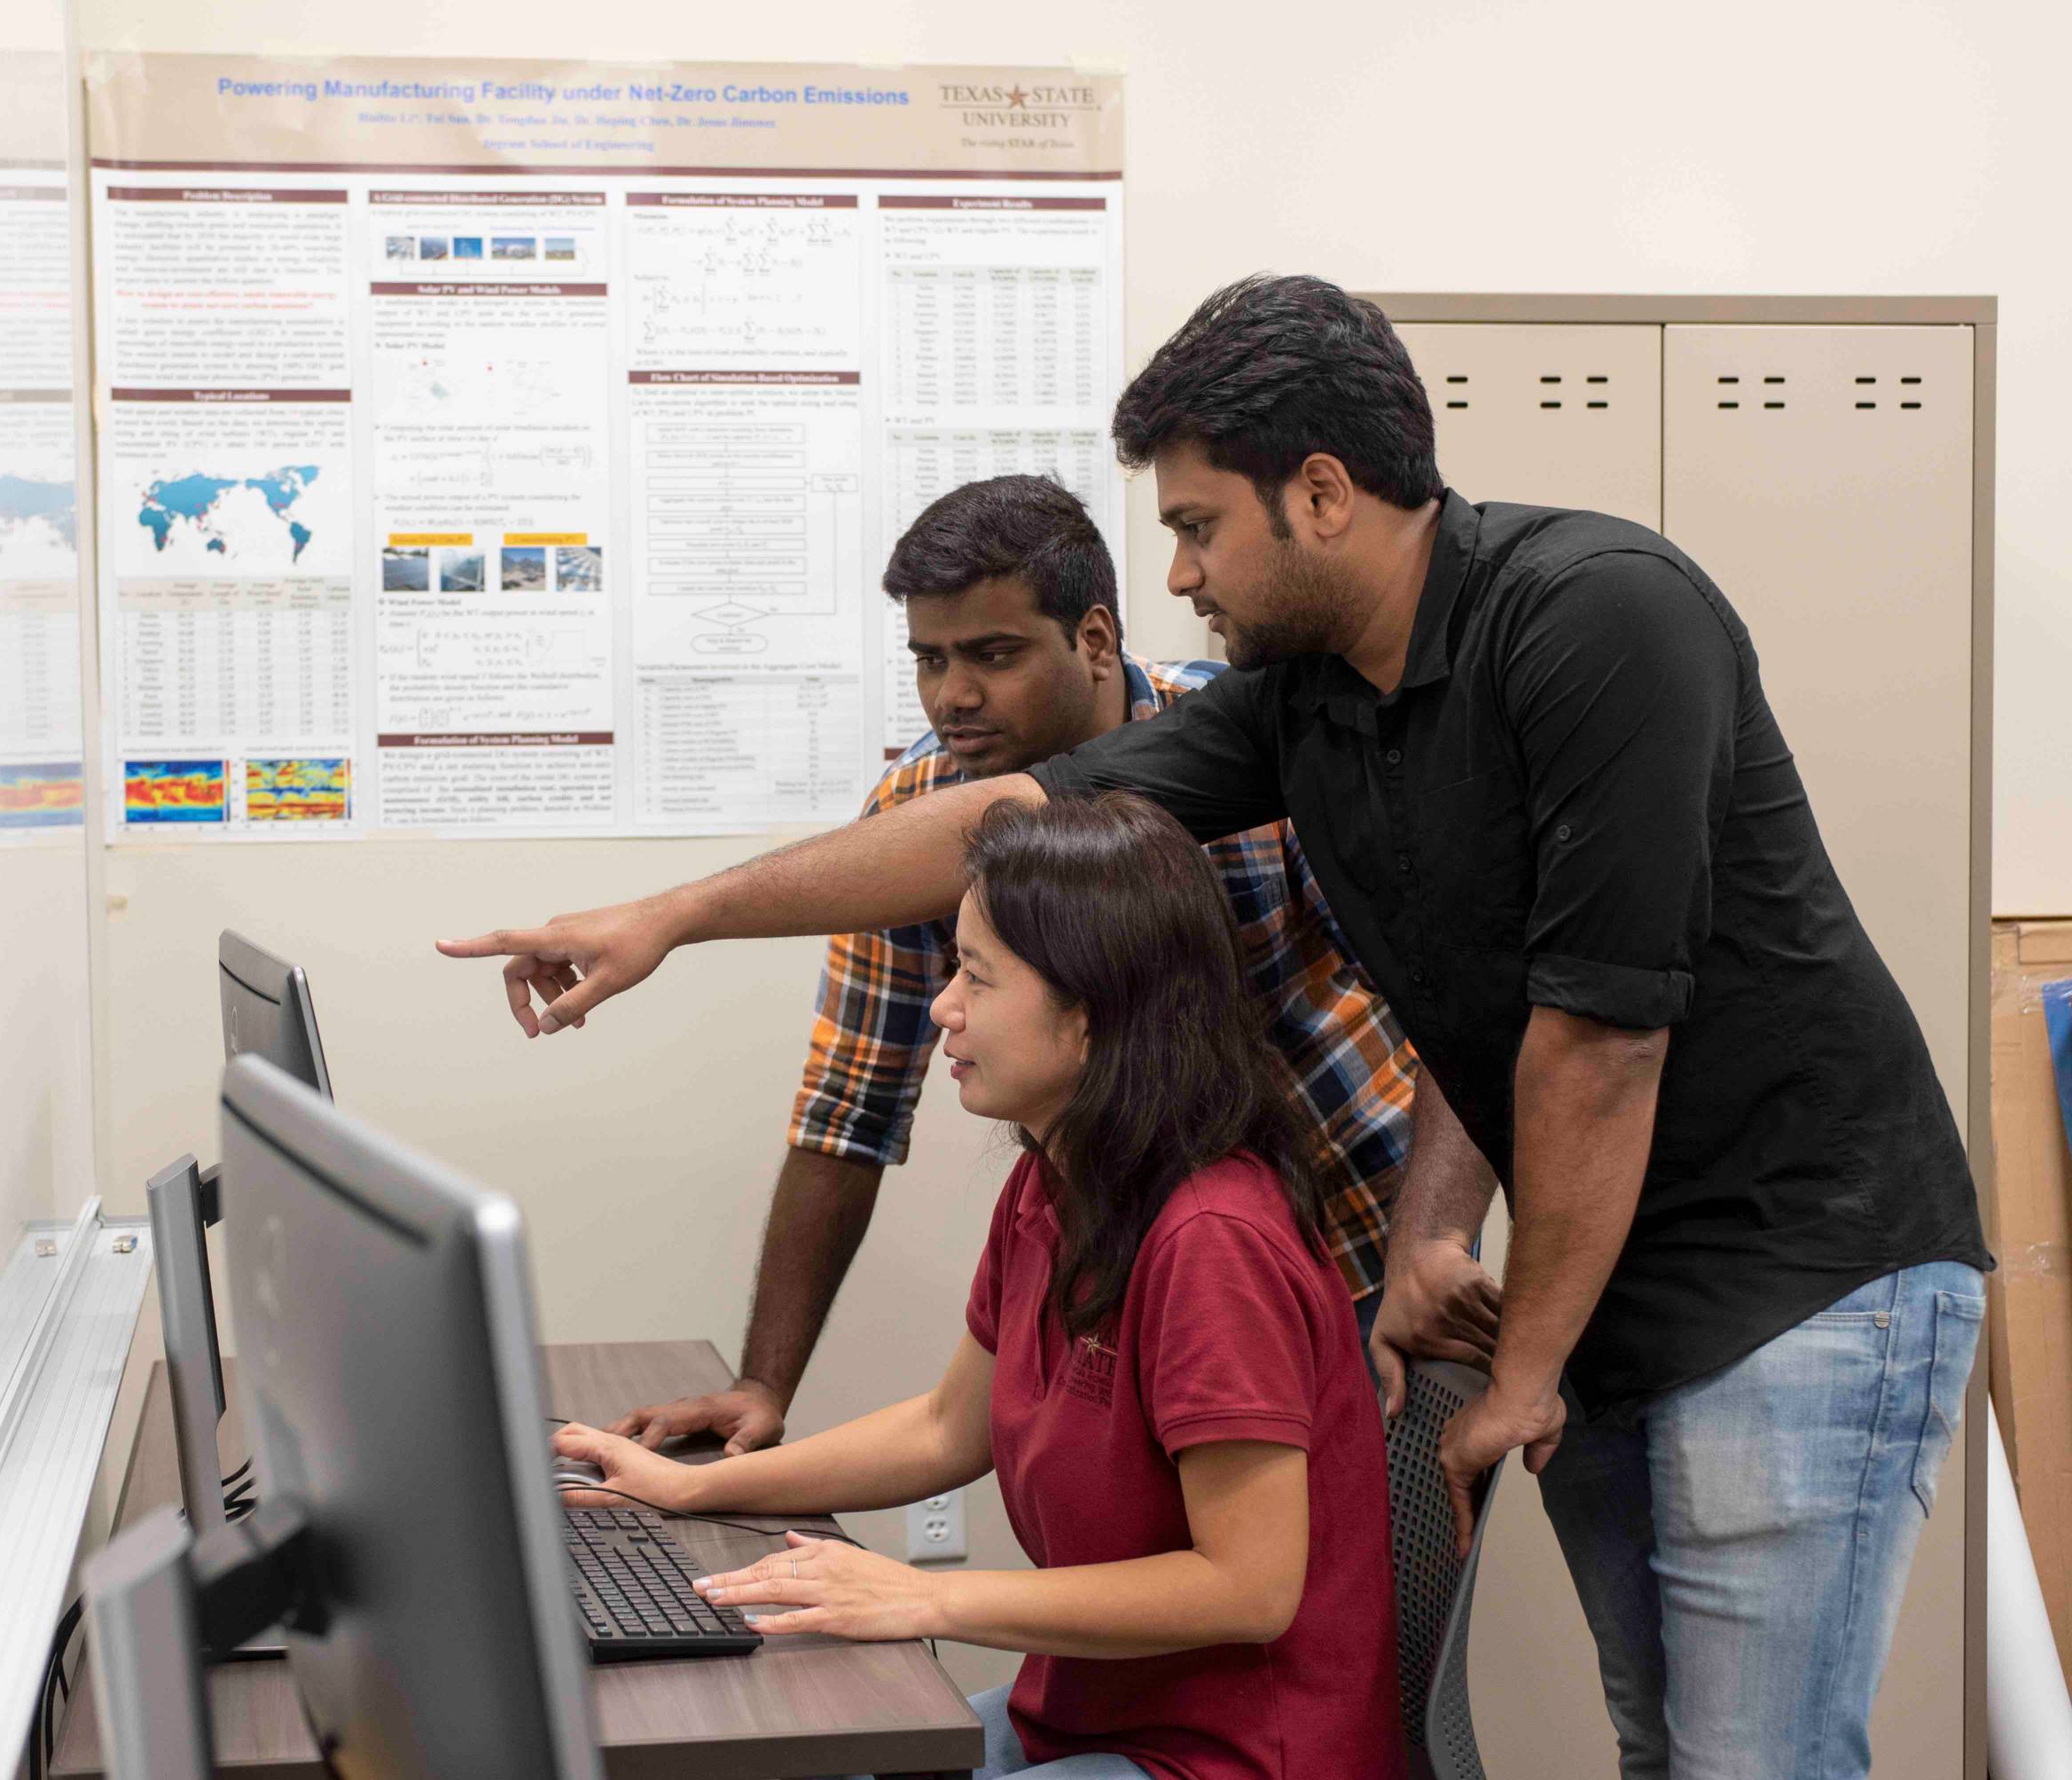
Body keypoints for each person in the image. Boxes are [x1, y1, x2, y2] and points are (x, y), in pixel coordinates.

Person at [448, 273, 1992, 1778]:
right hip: (1598, 1276)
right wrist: (672, 917)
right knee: (1663, 1745)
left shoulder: (1595, 616)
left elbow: (1596, 1033)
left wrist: (1516, 1364)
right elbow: (1025, 828)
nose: (1178, 574)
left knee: (1751, 1757)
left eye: (1195, 526)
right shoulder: (1304, 700)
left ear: (1318, 493)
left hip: (1805, 1266)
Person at [604, 473, 1490, 1461]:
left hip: (1360, 1231)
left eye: (993, 654)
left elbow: (1461, 1004)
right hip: (1134, 1266)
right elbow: (845, 1110)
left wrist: (1430, 1244)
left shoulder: (1257, 742)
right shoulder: (915, 814)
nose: (954, 695)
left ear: (1096, 639)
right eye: (928, 660)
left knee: (1342, 1583)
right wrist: (763, 1384)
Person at [555, 794, 1405, 1780]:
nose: (942, 1006)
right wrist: (688, 1488)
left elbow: (1246, 1587)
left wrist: (926, 1598)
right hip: (1089, 1714)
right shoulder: (1054, 1179)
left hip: (1227, 1757)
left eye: (975, 975)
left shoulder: (1211, 1241)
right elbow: (943, 1429)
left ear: (1091, 1017)